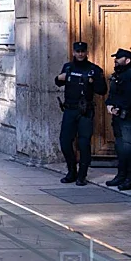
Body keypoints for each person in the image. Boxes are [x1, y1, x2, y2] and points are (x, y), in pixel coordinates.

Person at [55, 40, 106, 186]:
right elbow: (58, 82)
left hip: (85, 111)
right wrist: (59, 77)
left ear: (86, 53)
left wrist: (92, 81)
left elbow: (102, 90)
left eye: (82, 51)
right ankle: (71, 171)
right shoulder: (68, 67)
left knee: (84, 143)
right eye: (77, 51)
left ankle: (82, 175)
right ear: (73, 52)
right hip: (69, 109)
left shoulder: (94, 69)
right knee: (65, 142)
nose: (80, 54)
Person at [105, 47, 131, 191]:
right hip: (117, 117)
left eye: (118, 58)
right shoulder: (117, 75)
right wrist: (109, 105)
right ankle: (121, 175)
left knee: (130, 148)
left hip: (128, 117)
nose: (115, 60)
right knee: (120, 147)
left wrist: (119, 108)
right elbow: (112, 94)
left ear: (127, 60)